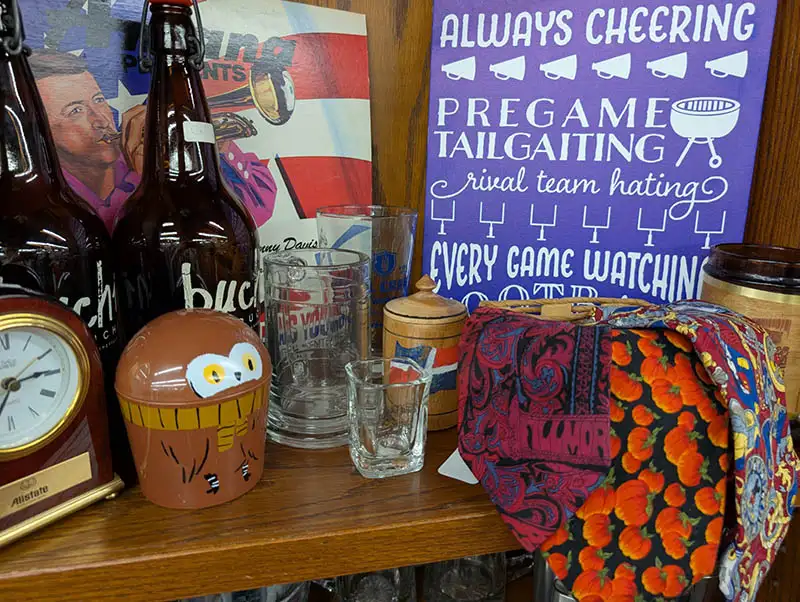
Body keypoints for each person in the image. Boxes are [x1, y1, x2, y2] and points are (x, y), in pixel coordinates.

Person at [28, 50, 276, 232]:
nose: (101, 119)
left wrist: (217, 152)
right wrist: (146, 180)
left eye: (98, 100)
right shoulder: (50, 199)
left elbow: (259, 208)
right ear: (42, 131)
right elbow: (105, 243)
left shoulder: (136, 155)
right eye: (75, 111)